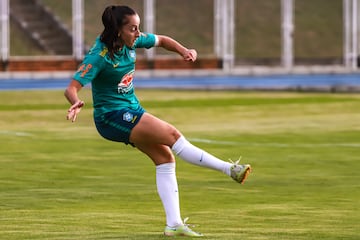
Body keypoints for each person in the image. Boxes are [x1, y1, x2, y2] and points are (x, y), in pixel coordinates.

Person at [64, 5, 251, 237]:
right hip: (110, 117)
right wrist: (76, 102)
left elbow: (161, 40)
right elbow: (72, 87)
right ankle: (229, 169)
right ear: (117, 30)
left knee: (165, 158)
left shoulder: (132, 41)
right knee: (173, 135)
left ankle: (174, 224)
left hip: (130, 109)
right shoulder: (99, 56)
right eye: (133, 29)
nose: (138, 33)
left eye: (138, 27)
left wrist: (183, 50)